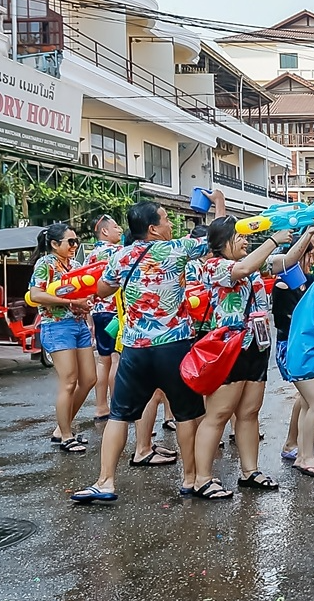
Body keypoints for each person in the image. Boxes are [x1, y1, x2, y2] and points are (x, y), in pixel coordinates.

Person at [71, 192, 225, 503]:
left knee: (119, 416)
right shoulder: (178, 249)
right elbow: (217, 236)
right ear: (153, 228)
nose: (170, 224)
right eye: (166, 220)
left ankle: (105, 481)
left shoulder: (121, 256)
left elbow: (103, 289)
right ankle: (190, 478)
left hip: (135, 349)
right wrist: (218, 204)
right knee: (185, 415)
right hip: (174, 346)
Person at [192, 218, 314, 498]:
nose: (246, 241)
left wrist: (306, 234)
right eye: (240, 237)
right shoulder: (216, 266)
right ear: (223, 241)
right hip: (228, 349)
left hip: (255, 346)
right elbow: (244, 268)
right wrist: (273, 239)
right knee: (219, 414)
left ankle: (250, 471)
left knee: (249, 413)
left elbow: (287, 260)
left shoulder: (251, 264)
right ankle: (203, 478)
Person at [30, 223, 97, 453]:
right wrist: (70, 303)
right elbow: (36, 294)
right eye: (70, 242)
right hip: (57, 326)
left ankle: (63, 427)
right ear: (54, 244)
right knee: (69, 381)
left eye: (75, 241)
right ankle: (66, 435)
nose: (74, 245)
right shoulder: (45, 264)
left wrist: (84, 304)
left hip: (78, 324)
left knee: (89, 379)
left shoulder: (75, 265)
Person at [274, 225, 314, 475]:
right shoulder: (286, 281)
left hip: (305, 346)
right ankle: (304, 455)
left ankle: (294, 446)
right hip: (294, 347)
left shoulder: (307, 278)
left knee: (306, 399)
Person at [86, 215, 124, 423]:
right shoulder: (118, 252)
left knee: (103, 361)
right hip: (115, 313)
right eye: (116, 227)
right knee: (116, 359)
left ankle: (101, 406)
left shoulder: (91, 254)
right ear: (104, 231)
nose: (120, 230)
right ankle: (118, 408)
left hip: (99, 312)